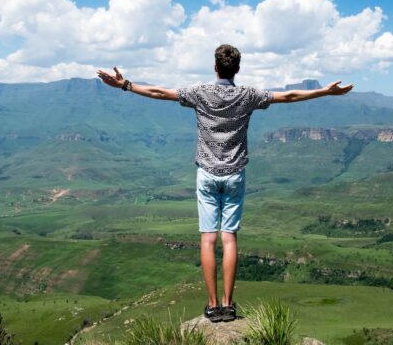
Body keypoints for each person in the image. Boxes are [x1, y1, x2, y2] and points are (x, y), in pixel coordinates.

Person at [97, 44, 354, 323]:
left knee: (208, 238)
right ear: (238, 69)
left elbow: (160, 93)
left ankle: (211, 305)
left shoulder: (200, 93)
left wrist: (126, 85)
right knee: (229, 237)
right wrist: (326, 91)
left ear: (215, 67)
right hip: (234, 175)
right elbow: (289, 96)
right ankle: (228, 306)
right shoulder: (248, 95)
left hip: (206, 173)